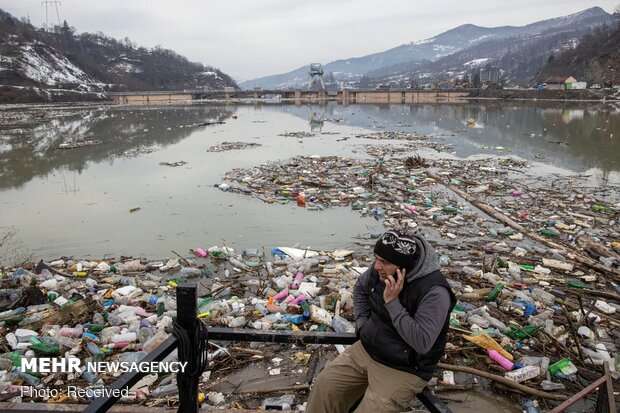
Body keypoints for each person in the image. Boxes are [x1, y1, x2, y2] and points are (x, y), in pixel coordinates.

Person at [306, 230, 456, 413]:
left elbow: (422, 342)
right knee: (324, 387)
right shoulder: (382, 270)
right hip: (369, 349)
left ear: (403, 267)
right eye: (376, 258)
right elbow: (360, 289)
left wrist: (392, 302)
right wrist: (363, 324)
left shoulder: (434, 291)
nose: (377, 266)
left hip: (404, 367)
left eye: (384, 262)